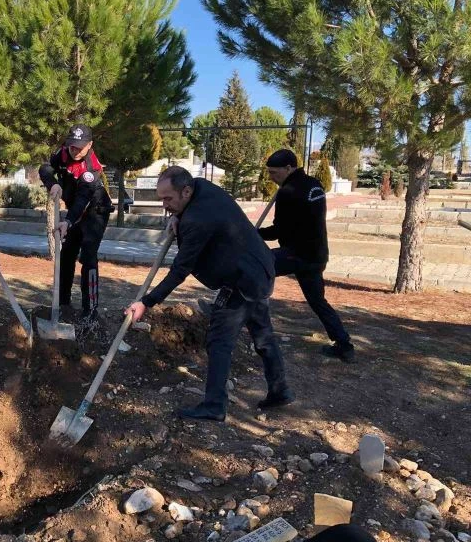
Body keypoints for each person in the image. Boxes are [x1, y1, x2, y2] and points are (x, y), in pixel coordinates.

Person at [125, 166, 293, 422]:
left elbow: (180, 269)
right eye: (161, 199)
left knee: (219, 341)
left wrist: (146, 302)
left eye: (168, 199)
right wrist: (177, 217)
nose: (165, 205)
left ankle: (214, 406)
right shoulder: (202, 188)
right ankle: (280, 390)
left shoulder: (197, 220)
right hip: (260, 268)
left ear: (186, 191)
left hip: (242, 280)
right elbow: (190, 215)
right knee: (262, 334)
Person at [259, 149, 354, 362]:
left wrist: (253, 234)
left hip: (295, 255)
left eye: (274, 173)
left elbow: (279, 231)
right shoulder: (315, 185)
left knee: (252, 266)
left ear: (288, 168)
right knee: (318, 301)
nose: (272, 178)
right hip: (317, 255)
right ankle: (344, 345)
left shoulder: (288, 191)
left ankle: (222, 310)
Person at [39, 124, 113, 325]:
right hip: (75, 210)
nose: (75, 150)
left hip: (95, 212)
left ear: (90, 145)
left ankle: (90, 312)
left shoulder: (91, 168)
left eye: (80, 147)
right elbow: (45, 168)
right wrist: (52, 183)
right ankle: (63, 305)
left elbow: (82, 200)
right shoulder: (63, 153)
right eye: (72, 145)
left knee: (88, 256)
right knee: (67, 255)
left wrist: (68, 221)